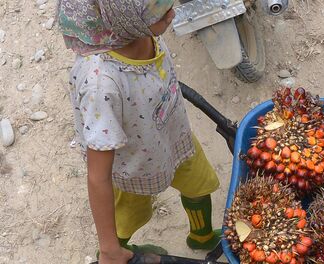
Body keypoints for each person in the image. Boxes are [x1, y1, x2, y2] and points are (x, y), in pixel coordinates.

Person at [57, 1, 221, 263]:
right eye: (160, 10)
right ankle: (115, 251)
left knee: (199, 186)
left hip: (174, 137)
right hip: (132, 167)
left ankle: (201, 235)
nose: (172, 13)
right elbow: (98, 177)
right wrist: (109, 248)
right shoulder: (101, 85)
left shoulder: (140, 30)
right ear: (124, 18)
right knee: (128, 218)